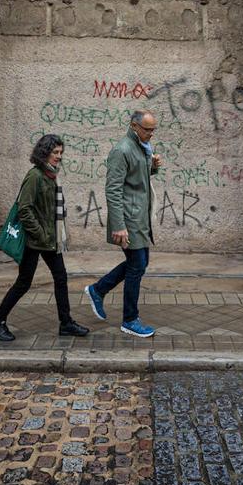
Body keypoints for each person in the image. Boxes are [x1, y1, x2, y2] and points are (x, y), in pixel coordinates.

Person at [0, 134, 90, 342]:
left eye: (61, 153)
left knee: (61, 277)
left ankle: (66, 323)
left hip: (48, 240)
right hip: (35, 241)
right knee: (24, 282)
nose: (59, 157)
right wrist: (41, 233)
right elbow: (24, 209)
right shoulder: (35, 176)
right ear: (44, 153)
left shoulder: (51, 176)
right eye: (55, 152)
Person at [84, 110, 160, 337]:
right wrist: (118, 225)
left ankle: (98, 290)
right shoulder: (122, 150)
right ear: (134, 126)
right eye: (147, 129)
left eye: (153, 129)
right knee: (137, 265)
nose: (151, 134)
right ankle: (129, 319)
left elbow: (139, 179)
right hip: (129, 218)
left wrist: (153, 166)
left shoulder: (142, 147)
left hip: (141, 217)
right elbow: (113, 189)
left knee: (140, 263)